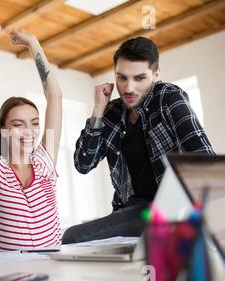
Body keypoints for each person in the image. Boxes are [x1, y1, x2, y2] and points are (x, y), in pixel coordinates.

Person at [62, 37, 215, 244]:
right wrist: (98, 110)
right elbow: (82, 164)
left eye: (139, 78)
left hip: (170, 210)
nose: (128, 88)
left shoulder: (169, 98)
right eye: (122, 78)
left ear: (156, 74)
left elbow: (206, 162)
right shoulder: (111, 112)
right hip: (132, 209)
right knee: (77, 238)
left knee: (73, 237)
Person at [0, 21, 63, 251]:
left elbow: (54, 96)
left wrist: (32, 43)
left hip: (54, 273)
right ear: (3, 129)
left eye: (34, 123)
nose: (29, 132)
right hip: (12, 277)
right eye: (18, 124)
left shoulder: (45, 161)